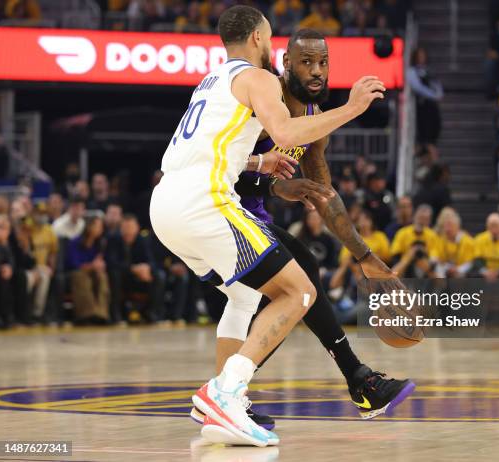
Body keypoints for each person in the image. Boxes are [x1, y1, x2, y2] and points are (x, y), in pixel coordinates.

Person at [149, 5, 389, 447]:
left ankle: (220, 403)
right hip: (206, 203)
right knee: (299, 291)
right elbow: (288, 131)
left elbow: (209, 149)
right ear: (259, 37)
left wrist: (261, 162)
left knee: (245, 296)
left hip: (165, 204)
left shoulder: (211, 82)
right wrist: (352, 108)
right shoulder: (260, 80)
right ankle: (225, 391)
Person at [191, 29, 414, 432]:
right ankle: (357, 380)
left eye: (323, 63)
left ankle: (225, 395)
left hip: (248, 218)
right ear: (286, 65)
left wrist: (366, 258)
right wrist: (277, 183)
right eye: (306, 62)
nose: (316, 71)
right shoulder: (264, 98)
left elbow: (324, 195)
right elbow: (216, 154)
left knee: (255, 303)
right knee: (303, 272)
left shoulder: (315, 120)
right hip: (212, 210)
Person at [105, 214, 165, 324]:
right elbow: (111, 263)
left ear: (137, 228)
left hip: (138, 277)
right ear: (121, 228)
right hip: (121, 277)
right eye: (125, 228)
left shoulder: (142, 240)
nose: (128, 232)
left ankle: (151, 313)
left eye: (131, 228)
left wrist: (147, 268)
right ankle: (116, 315)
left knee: (159, 275)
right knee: (115, 274)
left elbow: (151, 261)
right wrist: (133, 269)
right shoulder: (113, 239)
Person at [66, 216, 110, 324]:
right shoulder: (75, 242)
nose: (101, 229)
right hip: (76, 272)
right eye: (98, 226)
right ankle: (86, 314)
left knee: (102, 277)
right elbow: (74, 264)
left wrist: (100, 266)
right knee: (81, 277)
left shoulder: (100, 244)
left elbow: (101, 262)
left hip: (92, 272)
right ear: (89, 227)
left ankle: (101, 314)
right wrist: (92, 266)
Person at [0, 214, 15, 328]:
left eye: (4, 228)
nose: (1, 231)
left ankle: (5, 316)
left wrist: (9, 267)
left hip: (2, 274)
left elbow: (11, 260)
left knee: (5, 278)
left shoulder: (7, 243)